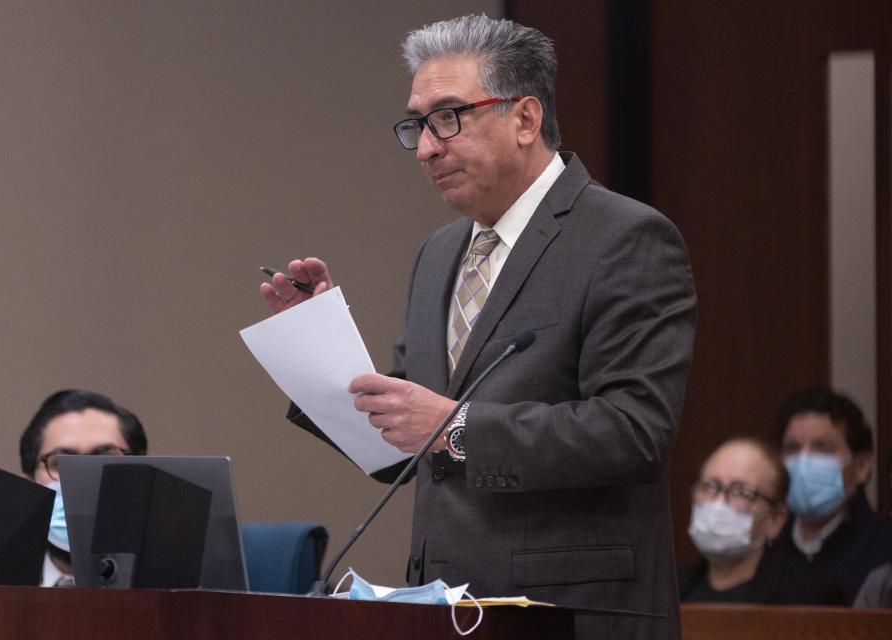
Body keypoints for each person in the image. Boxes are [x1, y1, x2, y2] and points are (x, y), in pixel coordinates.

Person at [260, 15, 696, 638]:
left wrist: (454, 426)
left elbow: (634, 431)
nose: (429, 147)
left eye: (448, 117)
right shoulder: (439, 254)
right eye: (417, 125)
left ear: (525, 118)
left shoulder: (625, 238)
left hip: (571, 613)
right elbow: (407, 447)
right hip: (446, 609)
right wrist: (318, 347)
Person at [678, 438, 843, 604]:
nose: (719, 502)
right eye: (710, 486)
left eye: (741, 491)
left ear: (776, 519)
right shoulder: (671, 587)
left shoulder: (809, 595)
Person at [19, 389, 148, 587]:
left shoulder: (183, 592)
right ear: (28, 484)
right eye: (61, 463)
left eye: (106, 458)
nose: (82, 482)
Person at [776, 387, 892, 604]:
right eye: (792, 448)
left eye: (822, 448)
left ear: (861, 466)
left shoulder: (885, 549)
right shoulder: (763, 549)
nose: (804, 461)